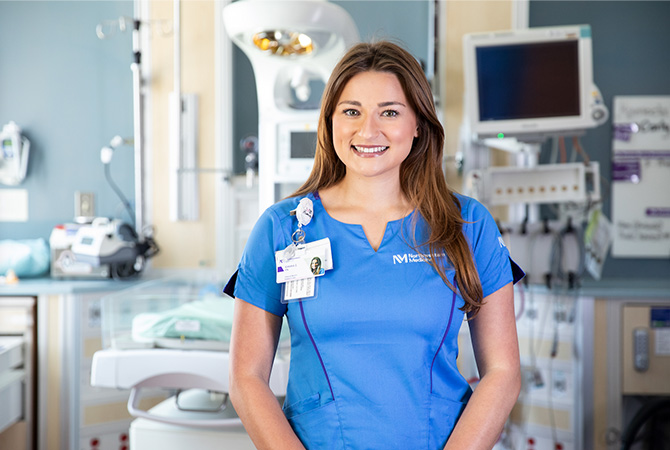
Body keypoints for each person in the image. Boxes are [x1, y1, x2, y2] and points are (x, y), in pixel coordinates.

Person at [227, 41, 524, 450]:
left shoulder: (467, 226)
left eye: (389, 112)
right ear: (330, 121)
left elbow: (503, 371)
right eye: (352, 111)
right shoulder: (283, 228)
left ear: (418, 122)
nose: (368, 131)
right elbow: (246, 377)